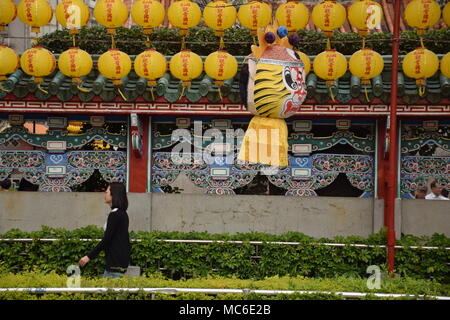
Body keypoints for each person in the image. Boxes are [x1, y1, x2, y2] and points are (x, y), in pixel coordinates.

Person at [78, 182, 131, 278]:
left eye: (107, 192)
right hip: (118, 263)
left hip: (115, 264)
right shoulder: (122, 213)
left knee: (108, 291)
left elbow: (106, 239)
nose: (105, 194)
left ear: (114, 194)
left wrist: (88, 257)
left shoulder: (115, 214)